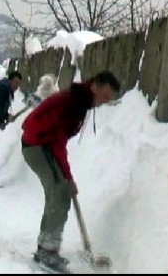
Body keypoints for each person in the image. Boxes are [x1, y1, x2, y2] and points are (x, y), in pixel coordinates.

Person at [21, 71, 120, 272]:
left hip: (42, 143)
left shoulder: (79, 101)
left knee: (57, 193)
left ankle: (45, 246)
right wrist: (68, 177)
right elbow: (58, 141)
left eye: (108, 99)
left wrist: (67, 178)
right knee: (60, 193)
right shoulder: (73, 103)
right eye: (105, 96)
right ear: (94, 86)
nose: (104, 101)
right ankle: (47, 252)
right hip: (38, 145)